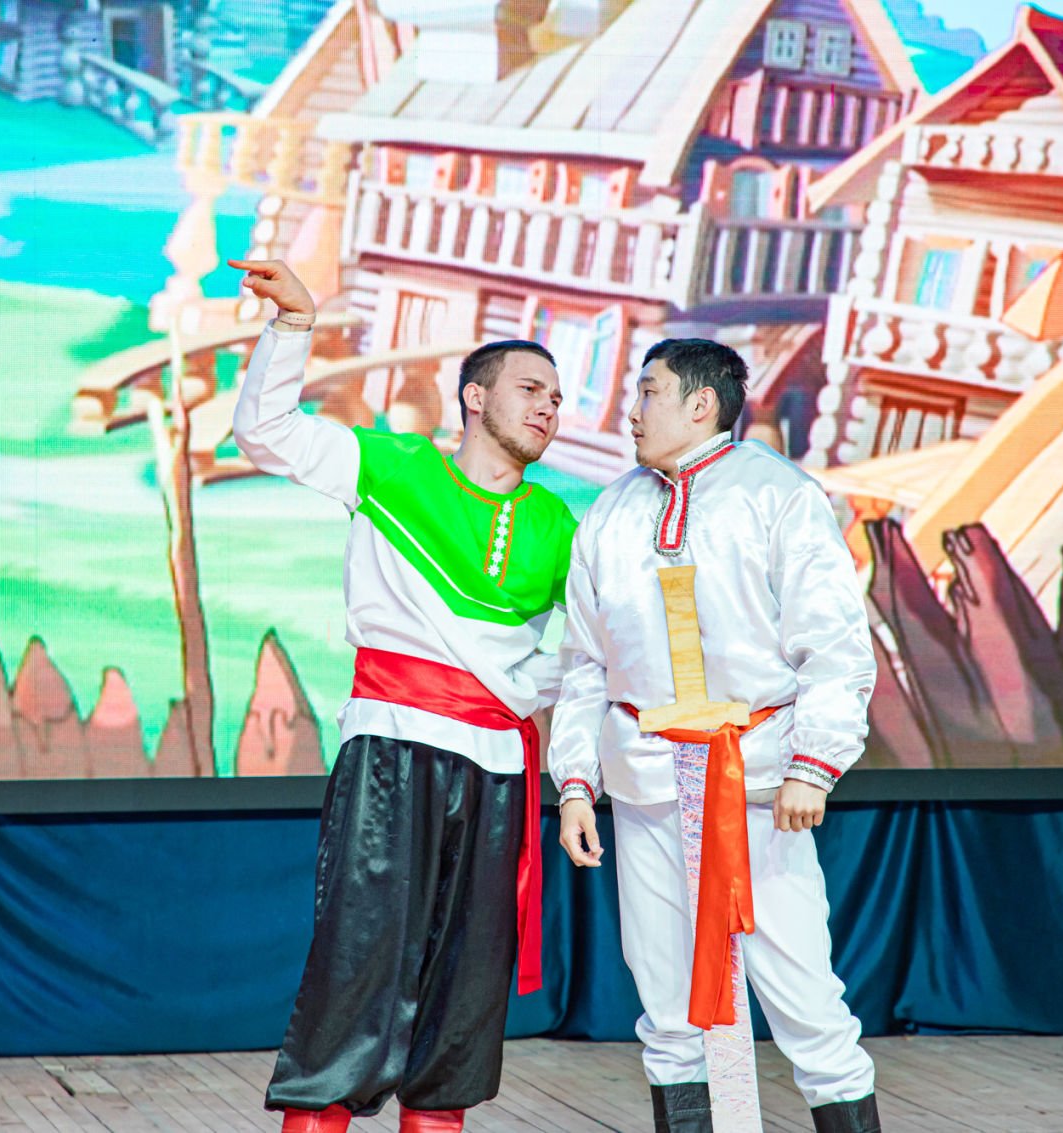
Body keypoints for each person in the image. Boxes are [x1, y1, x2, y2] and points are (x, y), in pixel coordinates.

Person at [228, 258, 578, 1133]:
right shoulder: (392, 466)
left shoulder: (560, 524)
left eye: (557, 397)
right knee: (359, 971)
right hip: (393, 745)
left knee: (464, 995)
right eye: (530, 388)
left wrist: (522, 692)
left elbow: (597, 647)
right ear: (473, 397)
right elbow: (265, 433)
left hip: (498, 767)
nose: (547, 406)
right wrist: (294, 324)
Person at [548, 339, 883, 1133]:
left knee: (806, 1000)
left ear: (702, 404)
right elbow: (584, 663)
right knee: (666, 1007)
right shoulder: (610, 512)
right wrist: (575, 783)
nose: (631, 412)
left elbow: (835, 645)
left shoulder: (779, 495)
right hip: (646, 785)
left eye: (648, 393)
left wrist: (814, 763)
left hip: (758, 783)